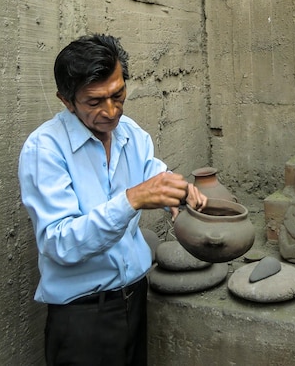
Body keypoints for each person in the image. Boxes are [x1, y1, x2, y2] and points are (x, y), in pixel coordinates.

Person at [18, 34, 207, 366]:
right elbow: (59, 243)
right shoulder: (45, 150)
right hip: (83, 317)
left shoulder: (131, 134)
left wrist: (179, 192)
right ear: (66, 100)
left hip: (134, 300)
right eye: (94, 102)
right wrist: (131, 200)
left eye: (118, 95)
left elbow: (157, 175)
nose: (111, 111)